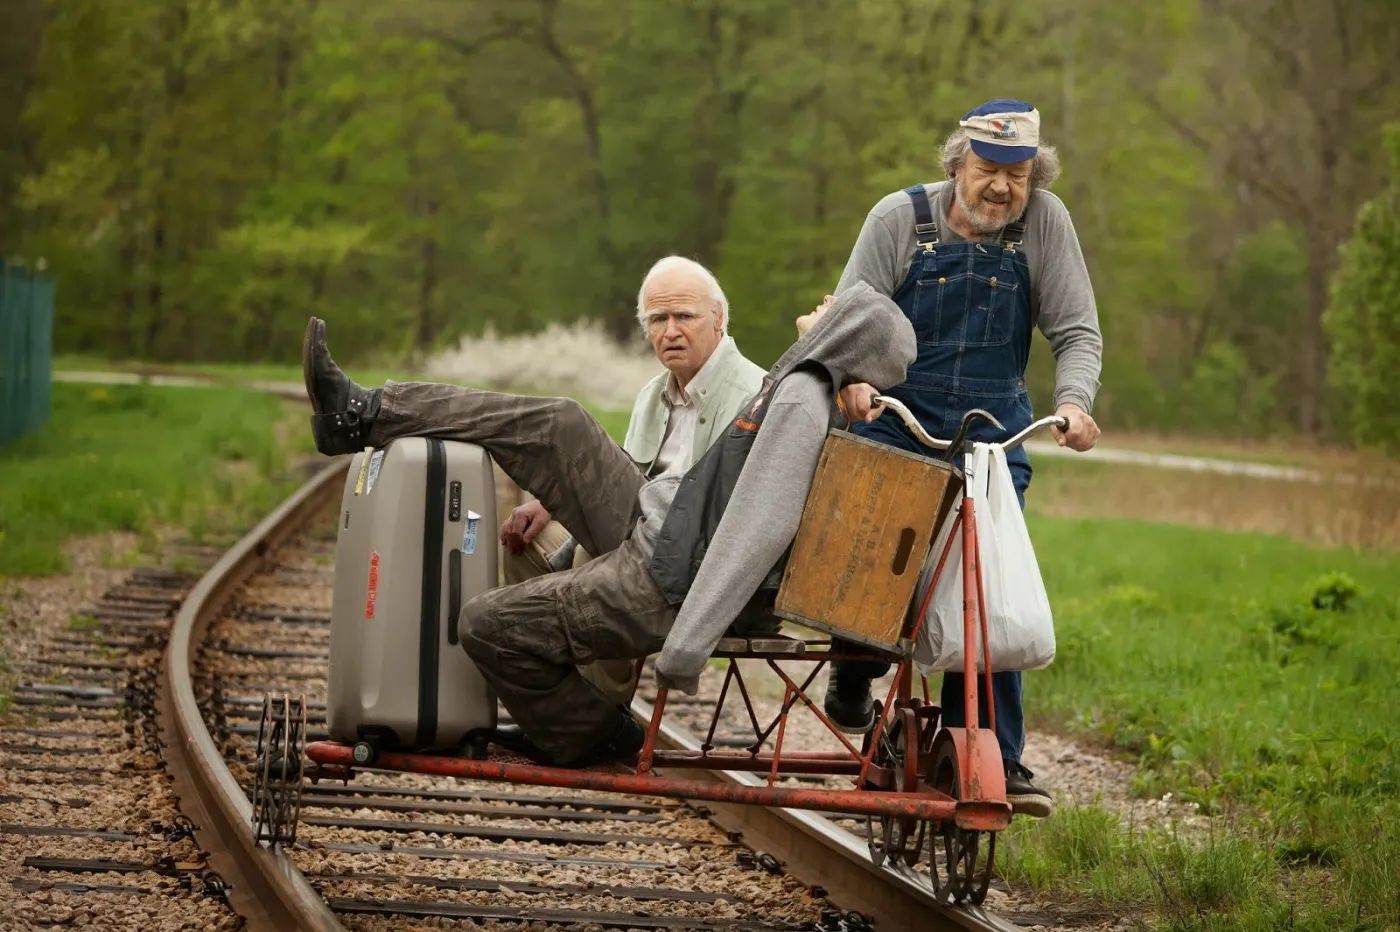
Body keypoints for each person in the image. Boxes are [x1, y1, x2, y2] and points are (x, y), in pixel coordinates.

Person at [300, 278, 916, 770]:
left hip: (667, 577)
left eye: (833, 306)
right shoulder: (800, 383)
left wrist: (685, 650)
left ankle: (592, 733)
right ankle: (365, 413)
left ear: (845, 331)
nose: (820, 304)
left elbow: (757, 530)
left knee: (483, 624)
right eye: (659, 319)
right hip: (662, 526)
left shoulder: (799, 400)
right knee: (561, 423)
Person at [819, 98, 1105, 819]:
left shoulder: (1046, 224)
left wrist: (1073, 404)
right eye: (989, 170)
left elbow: (1076, 330)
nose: (1003, 188)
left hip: (991, 432)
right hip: (894, 419)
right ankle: (855, 664)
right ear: (957, 164)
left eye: (1019, 174)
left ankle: (993, 759)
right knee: (870, 563)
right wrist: (850, 380)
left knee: (989, 591)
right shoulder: (899, 220)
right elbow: (848, 319)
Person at [497, 256, 766, 707]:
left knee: (593, 553)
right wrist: (555, 503)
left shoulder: (752, 394)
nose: (670, 331)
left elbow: (724, 517)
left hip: (699, 565)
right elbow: (625, 478)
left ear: (718, 320)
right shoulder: (650, 396)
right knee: (526, 536)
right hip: (638, 543)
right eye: (658, 319)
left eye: (684, 316)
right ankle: (552, 700)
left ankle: (600, 709)